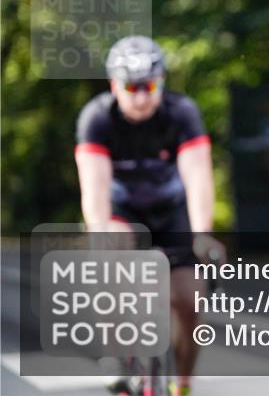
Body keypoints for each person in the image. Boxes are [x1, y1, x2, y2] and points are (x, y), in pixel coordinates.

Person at [75, 35, 225, 396]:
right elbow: (94, 190)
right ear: (114, 85)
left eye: (149, 86)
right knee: (113, 245)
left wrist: (203, 232)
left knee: (190, 300)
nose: (141, 97)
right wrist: (99, 230)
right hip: (122, 211)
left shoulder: (182, 112)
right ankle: (116, 352)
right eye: (131, 87)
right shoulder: (97, 117)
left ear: (161, 83)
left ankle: (182, 383)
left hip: (171, 211)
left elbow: (198, 176)